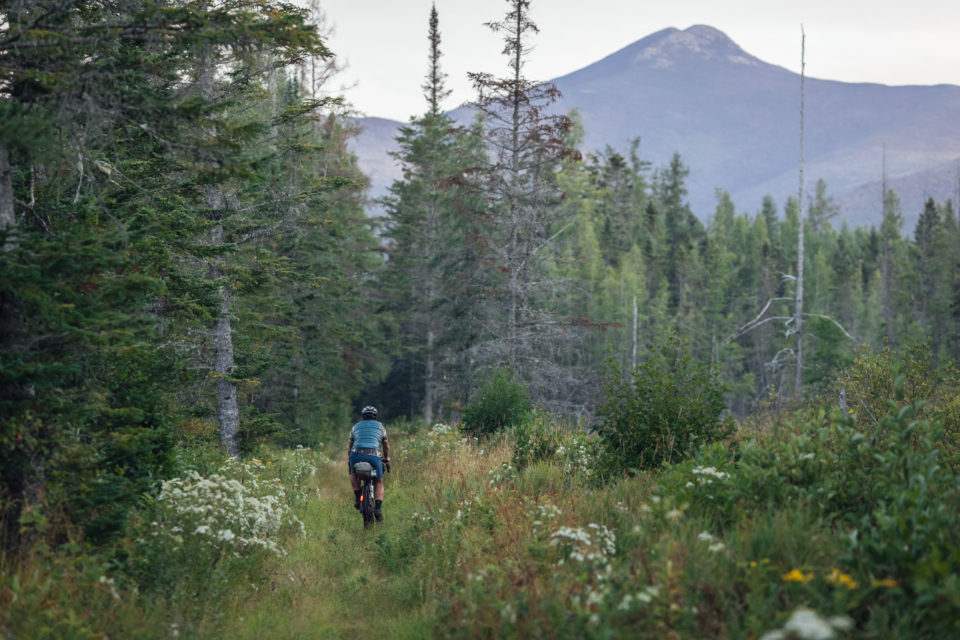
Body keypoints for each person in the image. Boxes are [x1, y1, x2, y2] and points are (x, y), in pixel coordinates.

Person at [348, 405, 390, 521]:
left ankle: (358, 500)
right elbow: (386, 446)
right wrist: (386, 458)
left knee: (353, 473)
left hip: (356, 454)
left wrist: (349, 460)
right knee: (378, 481)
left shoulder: (355, 427)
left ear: (362, 416)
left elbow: (350, 447)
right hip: (374, 455)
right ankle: (378, 509)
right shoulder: (380, 426)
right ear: (375, 417)